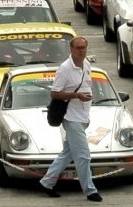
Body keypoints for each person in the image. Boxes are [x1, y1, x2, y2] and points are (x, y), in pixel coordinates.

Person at [40, 37, 103, 202]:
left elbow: (86, 85)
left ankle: (47, 182)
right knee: (83, 155)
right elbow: (55, 93)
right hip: (71, 117)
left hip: (83, 116)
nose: (81, 50)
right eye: (78, 48)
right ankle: (90, 190)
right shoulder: (65, 68)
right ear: (71, 49)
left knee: (68, 153)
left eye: (83, 47)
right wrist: (76, 96)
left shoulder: (86, 64)